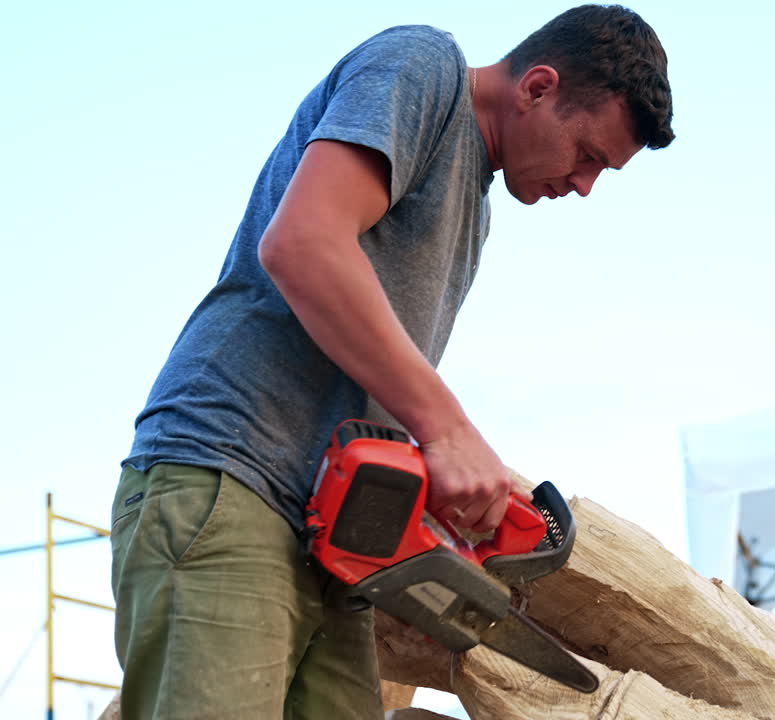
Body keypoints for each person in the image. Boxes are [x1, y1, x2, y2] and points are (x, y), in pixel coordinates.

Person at [108, 5, 674, 718]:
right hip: (234, 477)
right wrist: (447, 429)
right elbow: (303, 245)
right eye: (588, 155)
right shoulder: (421, 66)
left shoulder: (476, 205)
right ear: (536, 87)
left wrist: (434, 493)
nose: (585, 184)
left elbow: (366, 361)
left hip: (328, 537)